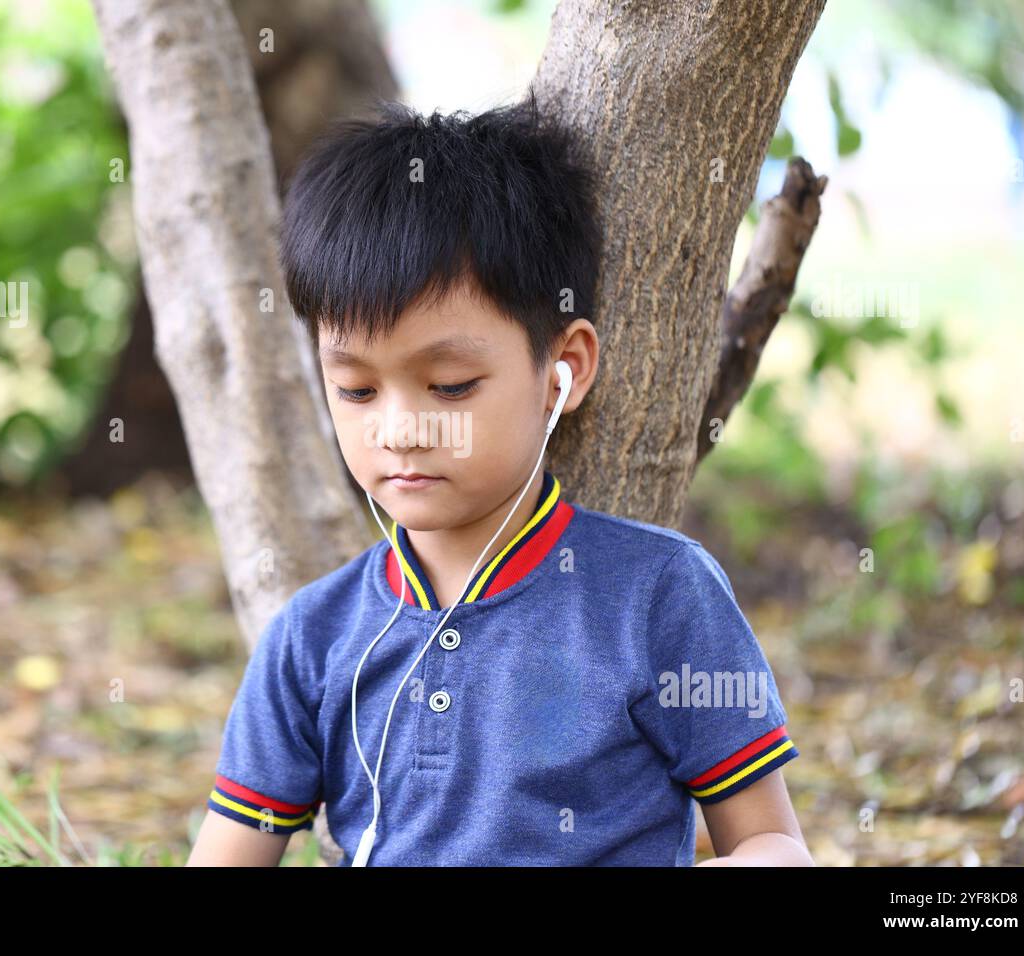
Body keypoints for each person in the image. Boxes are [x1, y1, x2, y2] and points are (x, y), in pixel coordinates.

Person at [188, 91, 809, 866]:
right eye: (356, 389)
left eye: (449, 385)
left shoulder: (658, 597)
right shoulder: (311, 639)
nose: (400, 428)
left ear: (562, 372)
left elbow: (775, 845)